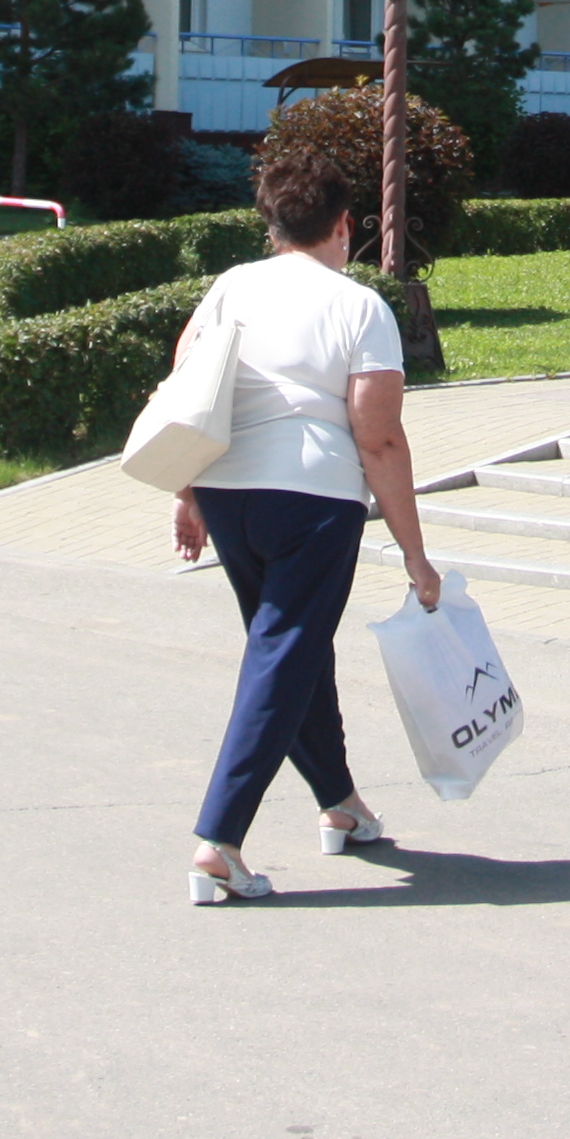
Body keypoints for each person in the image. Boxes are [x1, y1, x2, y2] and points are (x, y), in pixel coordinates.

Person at [171, 131, 439, 903]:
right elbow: (378, 437)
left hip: (229, 493)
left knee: (291, 649)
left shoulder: (232, 287)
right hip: (314, 500)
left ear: (272, 224)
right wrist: (416, 555)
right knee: (283, 653)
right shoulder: (360, 306)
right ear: (344, 225)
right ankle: (219, 842)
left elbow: (189, 382)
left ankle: (340, 804)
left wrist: (189, 492)